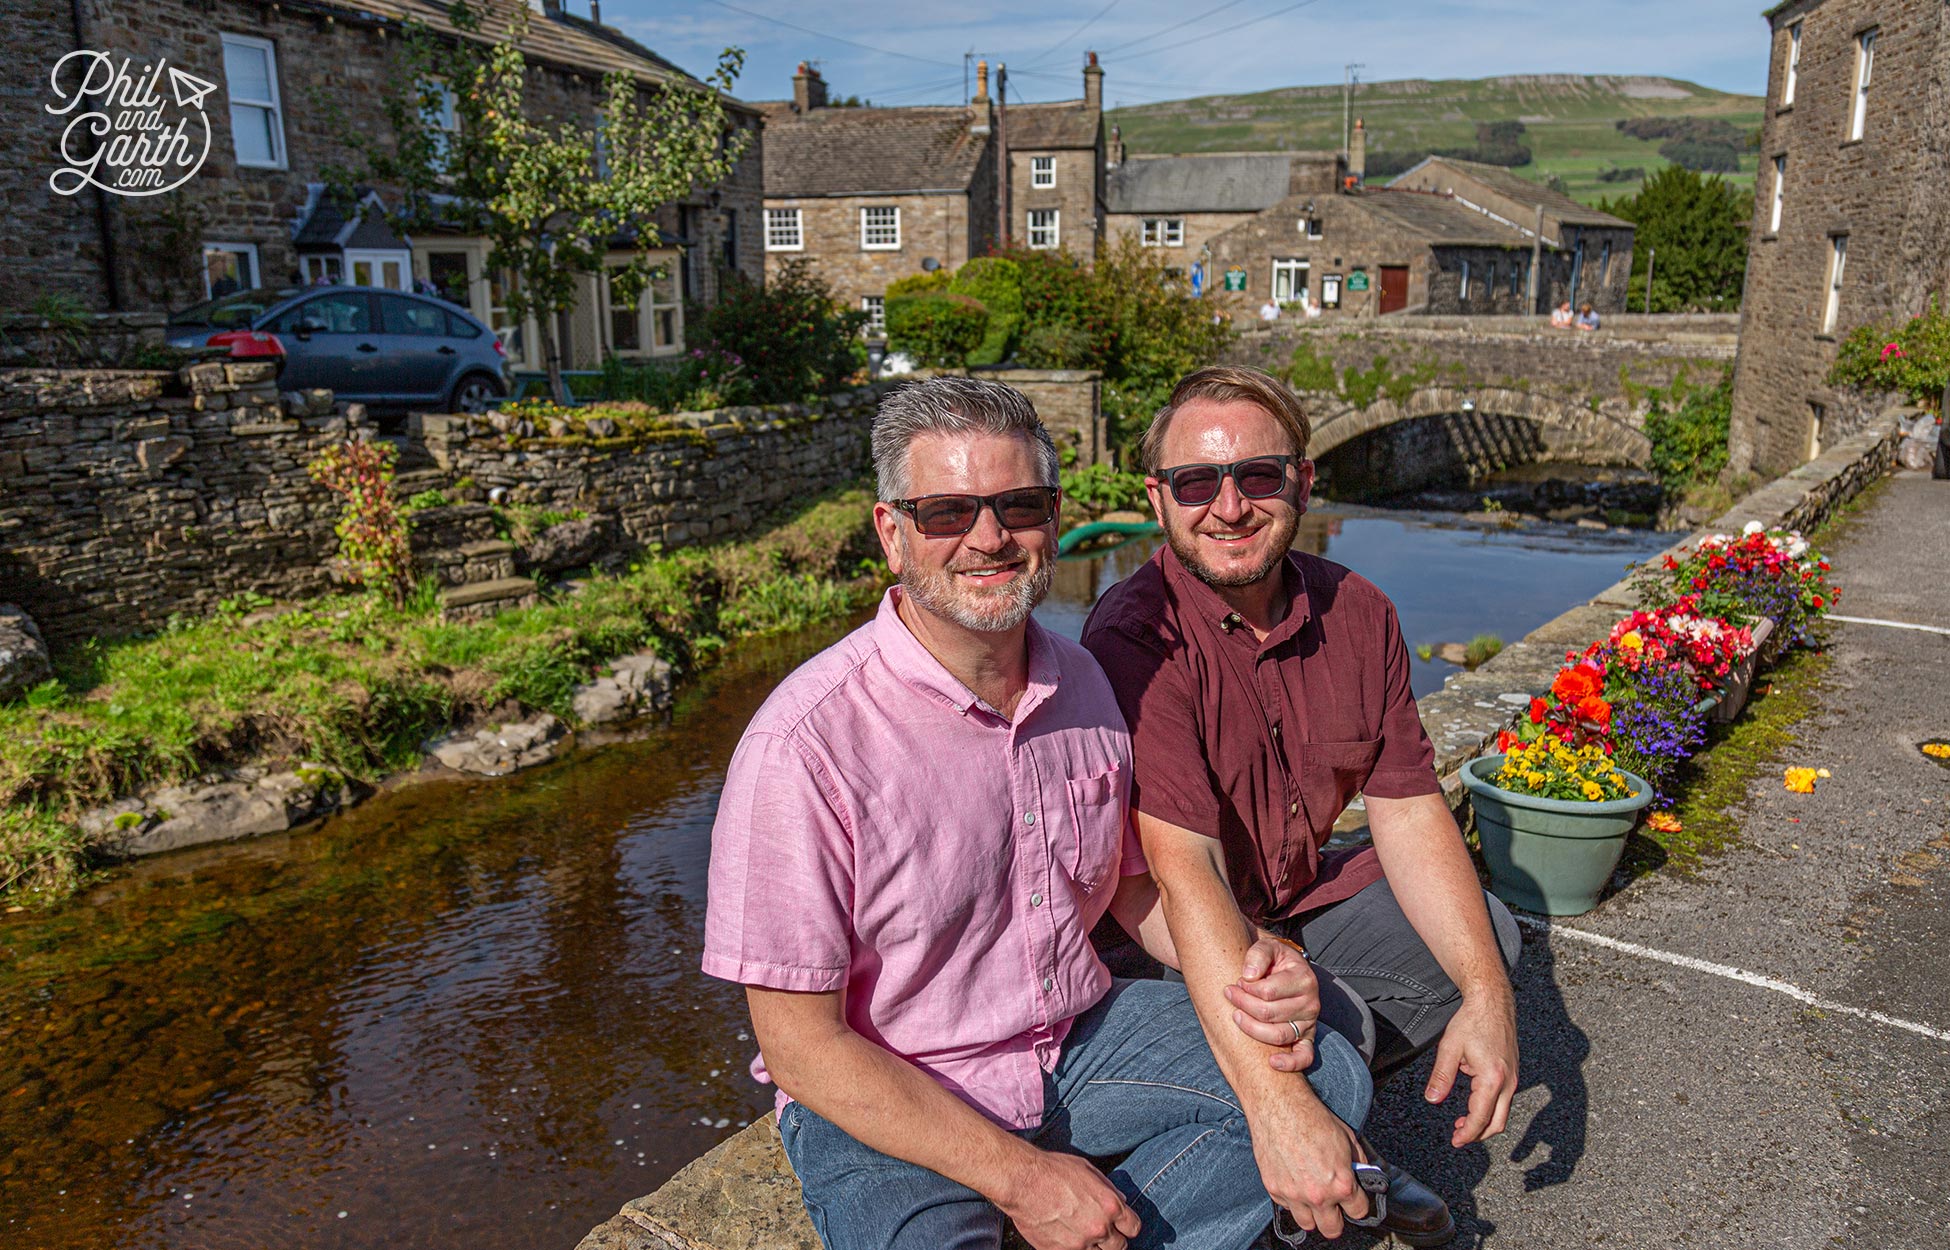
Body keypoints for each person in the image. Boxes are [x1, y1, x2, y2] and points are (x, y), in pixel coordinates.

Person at [704, 375, 1376, 1250]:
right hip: (895, 1088)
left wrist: (1255, 961)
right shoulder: (803, 745)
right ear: (891, 532)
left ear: (1054, 517)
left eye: (1018, 505)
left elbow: (1133, 894)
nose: (988, 538)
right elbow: (800, 1048)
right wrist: (1022, 1180)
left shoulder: (1084, 683)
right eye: (947, 511)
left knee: (1324, 1078)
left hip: (1070, 1045)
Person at [1082, 366, 1523, 1248]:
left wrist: (1490, 999)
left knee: (1490, 941)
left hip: (1292, 905)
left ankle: (1317, 1116)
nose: (1229, 506)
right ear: (1159, 501)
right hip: (1170, 937)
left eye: (1258, 476)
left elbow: (1406, 809)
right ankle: (1305, 1153)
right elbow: (1182, 869)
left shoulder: (1358, 611)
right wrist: (1282, 1068)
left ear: (1303, 482)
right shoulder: (1135, 637)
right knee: (1327, 1030)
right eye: (1197, 482)